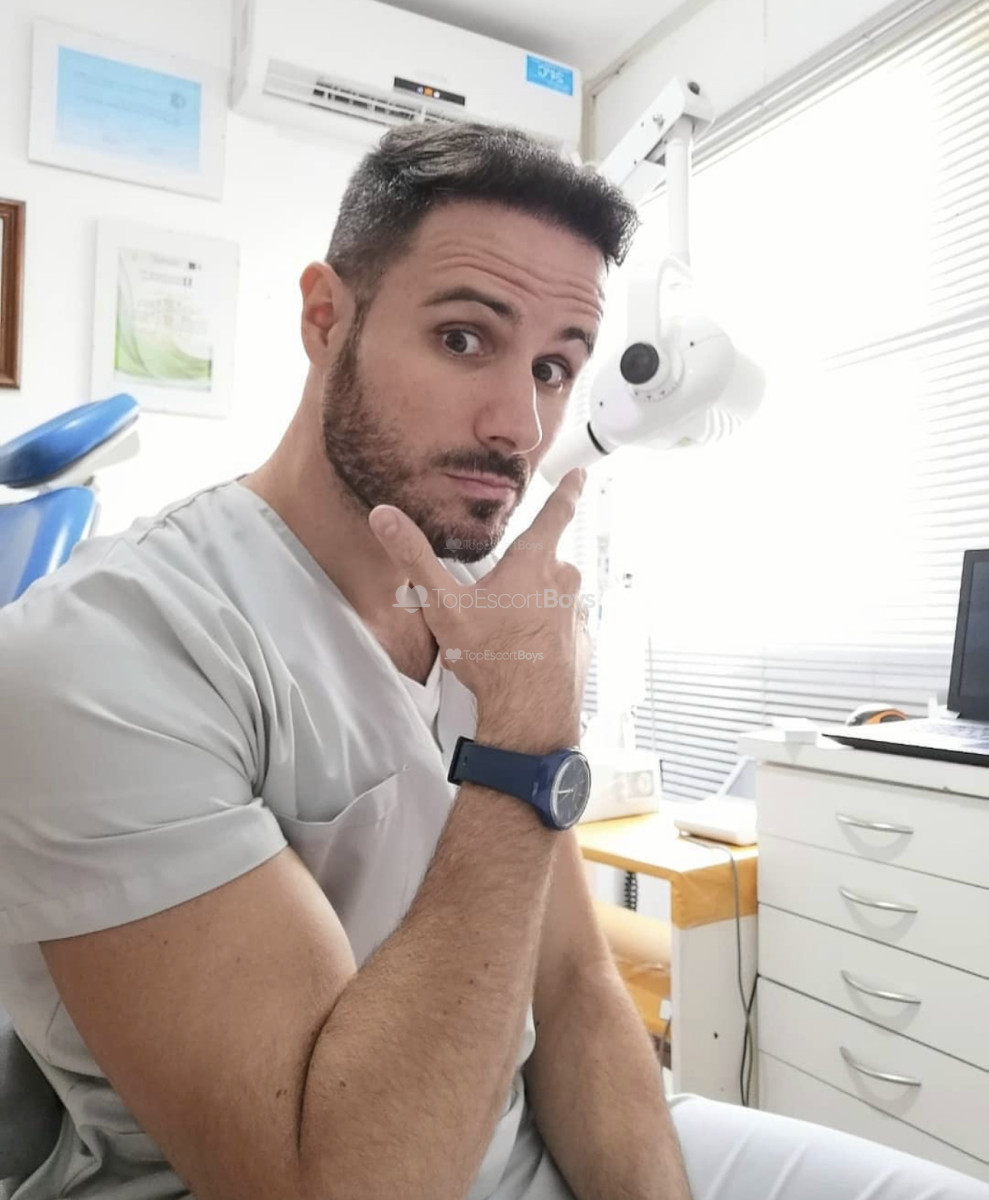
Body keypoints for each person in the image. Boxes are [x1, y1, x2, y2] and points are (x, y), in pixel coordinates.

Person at [0, 122, 983, 1200]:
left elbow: (569, 985)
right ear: (325, 318)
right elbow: (333, 1184)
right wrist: (521, 747)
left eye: (555, 367)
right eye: (464, 338)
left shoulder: (488, 621)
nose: (520, 423)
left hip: (522, 1132)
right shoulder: (110, 651)